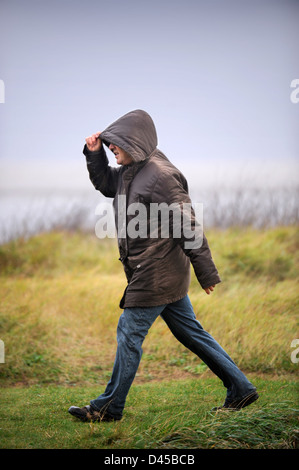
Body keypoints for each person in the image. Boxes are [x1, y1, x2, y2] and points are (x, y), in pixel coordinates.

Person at [68, 110, 258, 422]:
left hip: (155, 273)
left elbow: (188, 226)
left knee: (129, 334)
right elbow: (106, 185)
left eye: (115, 144)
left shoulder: (160, 176)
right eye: (110, 144)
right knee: (192, 333)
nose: (111, 147)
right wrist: (94, 155)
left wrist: (206, 271)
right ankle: (240, 387)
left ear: (134, 141)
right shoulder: (132, 168)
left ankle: (108, 408)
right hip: (158, 271)